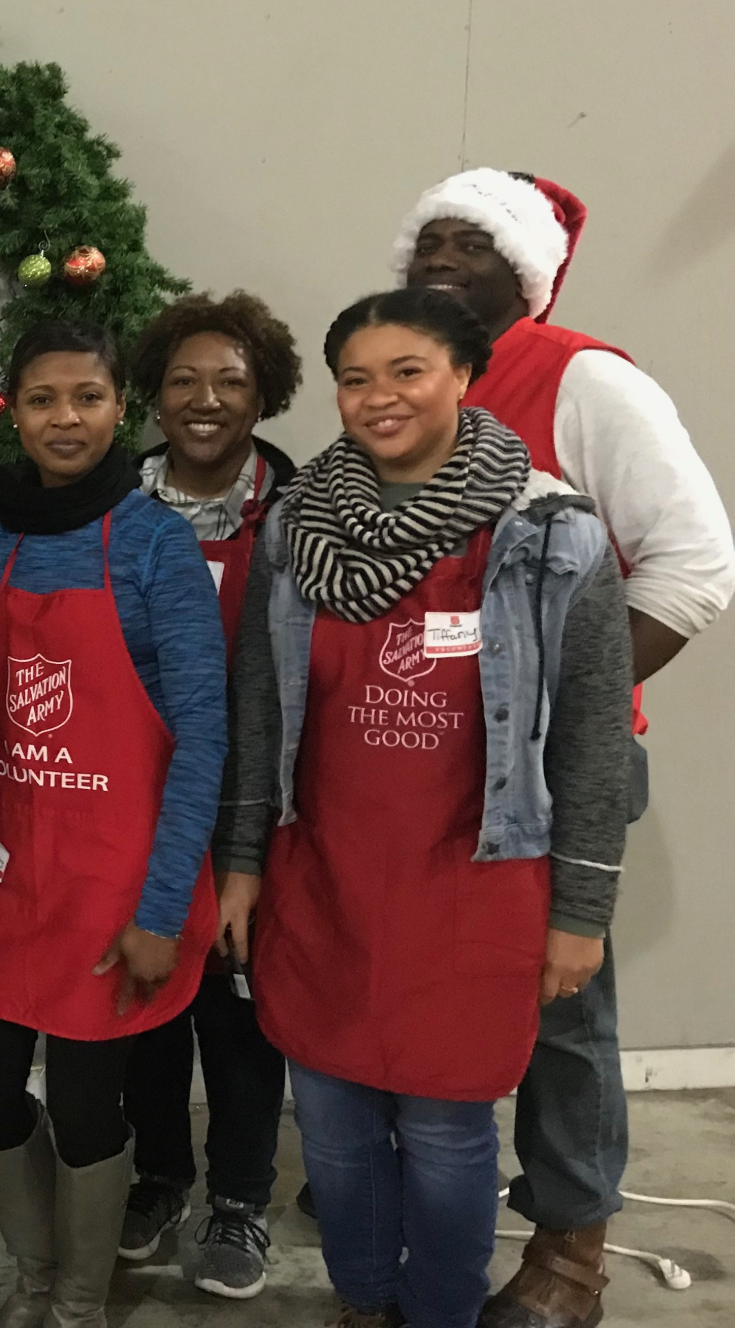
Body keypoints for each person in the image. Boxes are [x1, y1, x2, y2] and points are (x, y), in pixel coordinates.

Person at [219, 288, 634, 1328]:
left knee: (449, 1134)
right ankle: (364, 1301)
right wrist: (240, 857)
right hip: (324, 880)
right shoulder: (295, 530)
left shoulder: (551, 533)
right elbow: (258, 713)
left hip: (472, 887)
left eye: (405, 371)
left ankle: (439, 1308)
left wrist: (580, 909)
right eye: (353, 378)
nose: (376, 397)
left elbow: (589, 732)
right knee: (333, 1125)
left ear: (461, 375)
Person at [392, 168, 735, 1328]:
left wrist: (558, 706)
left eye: (471, 237)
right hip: (409, 752)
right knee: (417, 970)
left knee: (558, 1001)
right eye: (426, 235)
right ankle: (411, 1186)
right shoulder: (400, 378)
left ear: (527, 266)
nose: (441, 252)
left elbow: (692, 564)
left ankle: (569, 1238)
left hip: (548, 762)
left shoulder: (581, 376)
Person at [0, 320, 228, 1328]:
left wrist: (160, 906)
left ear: (119, 410)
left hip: (116, 878)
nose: (66, 418)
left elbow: (200, 737)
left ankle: (74, 1300)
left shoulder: (155, 545)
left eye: (87, 398)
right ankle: (31, 1267)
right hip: (11, 870)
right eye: (44, 398)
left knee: (88, 1105)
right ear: (10, 408)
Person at [115, 291, 301, 1297]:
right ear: (152, 393)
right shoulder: (112, 506)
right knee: (145, 1002)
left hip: (256, 811)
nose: (204, 398)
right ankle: (157, 1176)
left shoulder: (303, 509)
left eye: (230, 380)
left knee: (237, 1014)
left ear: (262, 392)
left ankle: (236, 1198)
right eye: (183, 378)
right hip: (136, 802)